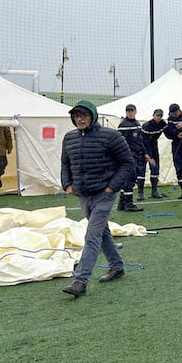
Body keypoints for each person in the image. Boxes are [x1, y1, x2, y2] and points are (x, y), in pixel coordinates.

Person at [60, 100, 136, 297]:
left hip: (104, 194)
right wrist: (67, 184)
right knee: (102, 231)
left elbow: (127, 163)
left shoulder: (111, 136)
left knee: (92, 235)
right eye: (76, 116)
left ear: (93, 116)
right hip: (83, 194)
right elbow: (65, 163)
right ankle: (116, 266)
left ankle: (80, 281)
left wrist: (112, 187)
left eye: (84, 115)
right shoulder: (69, 138)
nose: (80, 119)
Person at [116, 104, 145, 212]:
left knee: (129, 179)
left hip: (137, 154)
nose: (130, 113)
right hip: (129, 155)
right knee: (130, 179)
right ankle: (128, 204)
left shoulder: (137, 123)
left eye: (132, 111)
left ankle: (122, 203)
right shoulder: (124, 125)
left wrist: (144, 153)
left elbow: (140, 140)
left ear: (135, 111)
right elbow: (121, 142)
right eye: (128, 111)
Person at [140, 109, 168, 198]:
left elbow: (168, 132)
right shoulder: (146, 126)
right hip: (143, 148)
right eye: (157, 115)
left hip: (154, 147)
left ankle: (154, 191)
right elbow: (144, 141)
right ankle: (140, 193)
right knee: (141, 170)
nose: (158, 117)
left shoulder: (162, 124)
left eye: (160, 116)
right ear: (153, 115)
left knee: (155, 168)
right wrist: (148, 156)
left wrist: (178, 133)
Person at [0, 125, 13, 193]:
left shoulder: (1, 121)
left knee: (2, 164)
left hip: (0, 148)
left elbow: (8, 134)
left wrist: (9, 147)